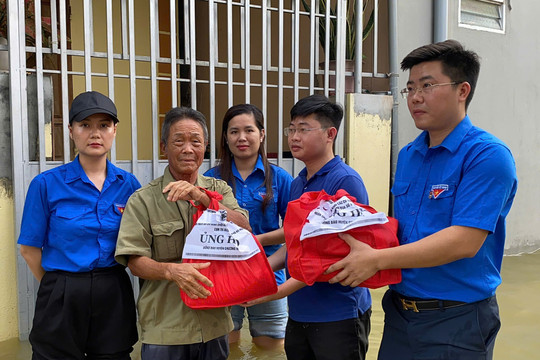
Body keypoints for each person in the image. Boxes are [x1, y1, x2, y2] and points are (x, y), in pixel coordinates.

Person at [326, 40, 518, 360]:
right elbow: (400, 229)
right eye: (411, 88)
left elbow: (464, 241)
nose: (415, 97)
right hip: (401, 314)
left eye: (428, 86)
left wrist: (375, 260)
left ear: (462, 90)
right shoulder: (409, 154)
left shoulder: (487, 156)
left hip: (457, 320)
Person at [114, 107, 251, 360]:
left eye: (195, 141)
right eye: (179, 141)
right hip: (166, 330)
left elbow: (244, 229)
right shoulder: (143, 200)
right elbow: (134, 262)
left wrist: (201, 197)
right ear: (164, 147)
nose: (188, 149)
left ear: (205, 146)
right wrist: (171, 271)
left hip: (214, 326)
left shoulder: (219, 189)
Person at [18, 91, 140, 360]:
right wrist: (59, 287)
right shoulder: (46, 184)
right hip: (62, 290)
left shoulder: (128, 185)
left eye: (103, 126)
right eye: (85, 125)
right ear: (72, 131)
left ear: (114, 131)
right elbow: (29, 248)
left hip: (113, 290)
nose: (95, 134)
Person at [256, 94, 372, 360]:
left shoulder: (345, 182)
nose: (294, 137)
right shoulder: (298, 184)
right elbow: (295, 242)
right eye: (291, 129)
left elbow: (339, 256)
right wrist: (257, 271)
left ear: (330, 133)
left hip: (338, 313)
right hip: (299, 312)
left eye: (304, 129)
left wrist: (275, 291)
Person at [204, 104, 293, 349]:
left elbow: (294, 229)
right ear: (225, 137)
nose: (241, 138)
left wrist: (259, 241)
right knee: (226, 348)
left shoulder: (280, 179)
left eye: (249, 130)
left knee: (270, 350)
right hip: (222, 278)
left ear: (261, 134)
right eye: (233, 132)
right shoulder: (211, 179)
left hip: (269, 275)